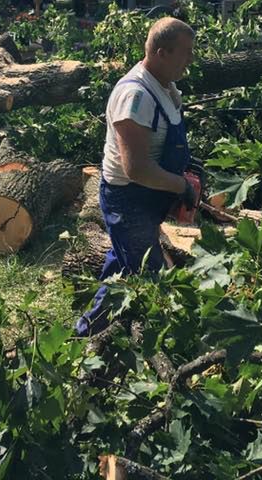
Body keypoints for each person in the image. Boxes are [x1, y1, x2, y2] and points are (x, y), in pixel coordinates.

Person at [74, 17, 198, 336]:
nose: (191, 60)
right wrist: (180, 185)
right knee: (150, 278)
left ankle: (85, 333)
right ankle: (145, 345)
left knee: (122, 267)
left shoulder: (166, 88)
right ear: (161, 53)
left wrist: (189, 169)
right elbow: (137, 169)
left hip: (148, 199)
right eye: (186, 52)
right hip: (129, 201)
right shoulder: (136, 97)